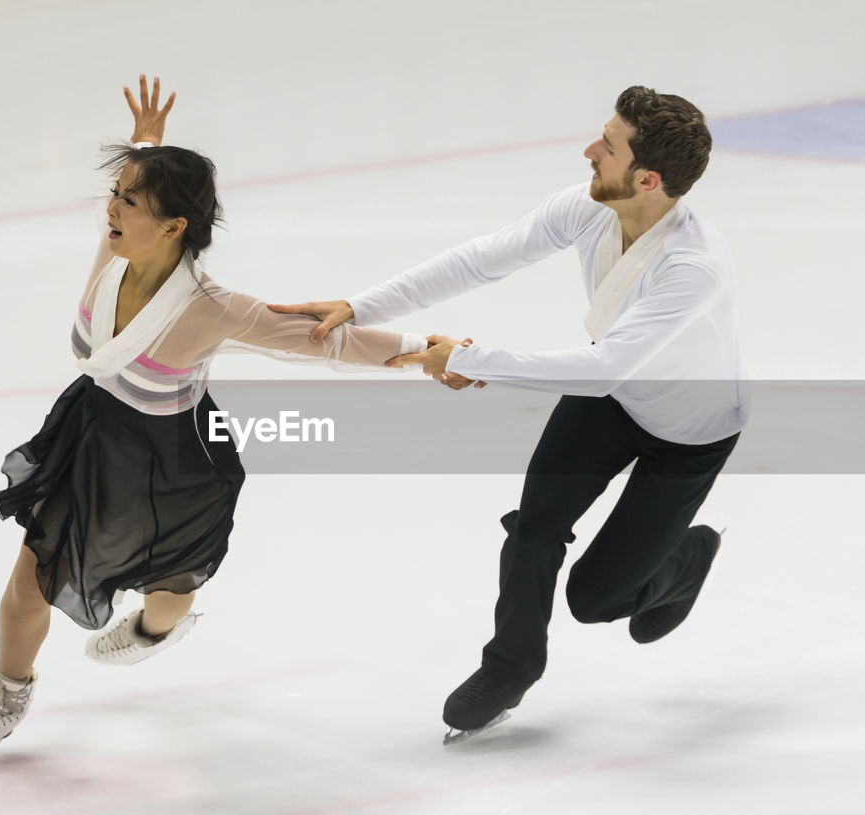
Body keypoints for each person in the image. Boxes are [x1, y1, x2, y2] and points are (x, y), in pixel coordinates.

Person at [0, 75, 425, 763]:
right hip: (91, 437)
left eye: (128, 200)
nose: (110, 209)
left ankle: (152, 631)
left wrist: (422, 353)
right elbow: (138, 212)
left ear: (174, 227)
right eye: (113, 194)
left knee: (168, 594)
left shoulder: (212, 306)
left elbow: (326, 339)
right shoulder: (115, 252)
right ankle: (8, 690)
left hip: (175, 463)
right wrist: (147, 146)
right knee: (31, 579)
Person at [269, 86, 749, 738]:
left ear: (648, 178)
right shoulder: (587, 207)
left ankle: (685, 558)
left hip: (690, 432)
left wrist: (473, 359)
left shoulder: (693, 266)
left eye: (606, 147)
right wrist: (359, 307)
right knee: (534, 527)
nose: (588, 151)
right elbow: (484, 258)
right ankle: (510, 667)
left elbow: (607, 363)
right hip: (613, 399)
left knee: (595, 599)